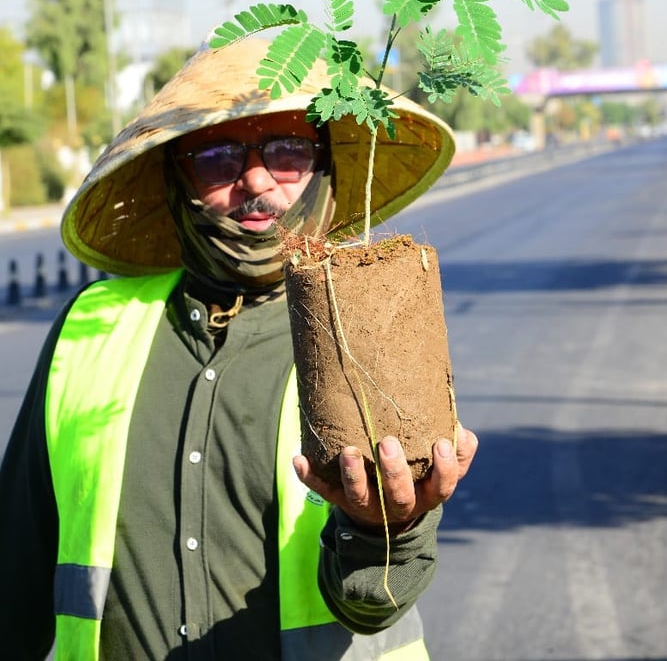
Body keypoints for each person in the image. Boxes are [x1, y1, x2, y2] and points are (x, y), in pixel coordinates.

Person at [0, 37, 478, 660]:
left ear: (327, 162)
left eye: (287, 151)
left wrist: (384, 531)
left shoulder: (366, 330)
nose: (255, 180)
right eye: (218, 157)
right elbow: (16, 579)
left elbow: (371, 600)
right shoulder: (90, 330)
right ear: (176, 176)